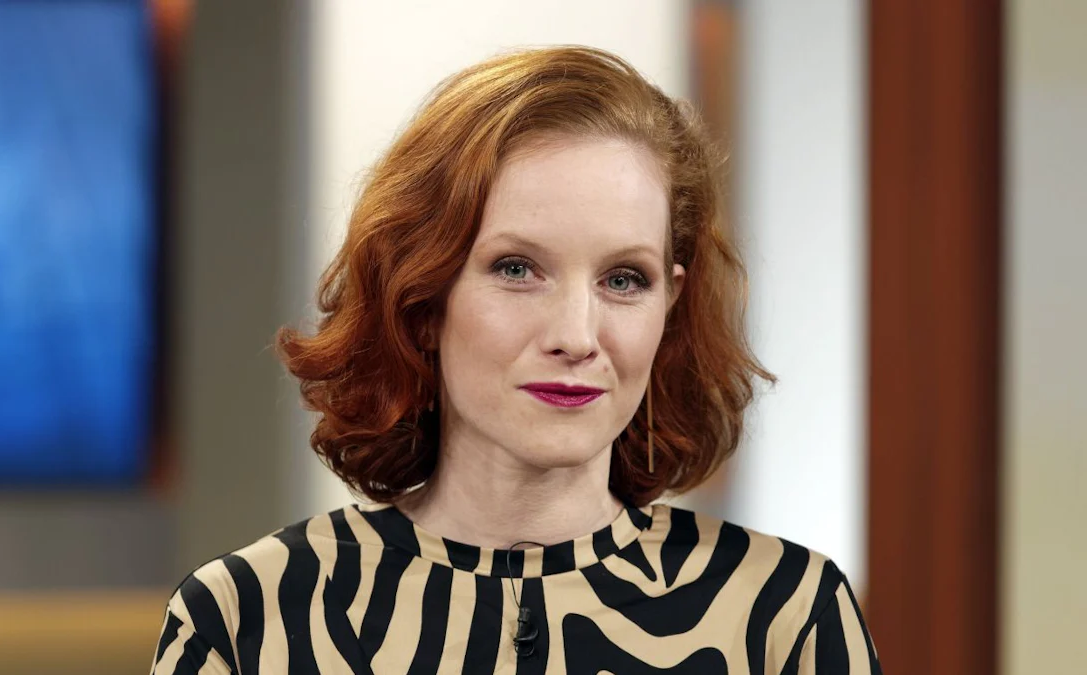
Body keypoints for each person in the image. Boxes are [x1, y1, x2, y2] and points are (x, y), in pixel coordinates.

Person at [149, 45, 883, 674]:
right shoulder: (247, 619)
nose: (576, 334)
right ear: (422, 299)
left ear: (670, 303)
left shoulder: (787, 616)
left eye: (624, 279)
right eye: (517, 269)